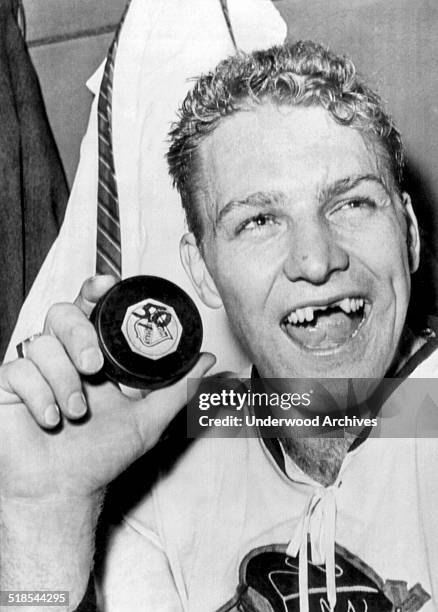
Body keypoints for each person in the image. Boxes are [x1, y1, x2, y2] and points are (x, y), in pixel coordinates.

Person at [1, 41, 437, 612]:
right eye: (259, 219)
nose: (315, 259)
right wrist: (42, 518)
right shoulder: (164, 475)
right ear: (202, 271)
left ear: (407, 234)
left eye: (352, 204)